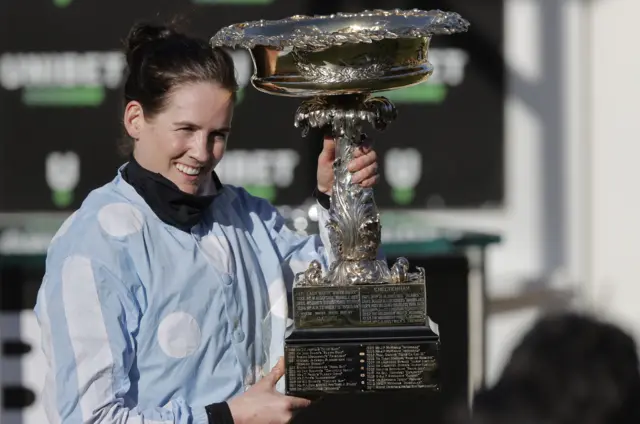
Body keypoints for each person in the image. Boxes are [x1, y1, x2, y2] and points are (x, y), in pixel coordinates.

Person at [34, 21, 380, 424]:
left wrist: (337, 197)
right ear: (135, 120)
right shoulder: (92, 241)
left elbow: (351, 298)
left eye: (218, 134)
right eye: (186, 129)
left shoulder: (248, 217)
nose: (201, 152)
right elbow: (87, 419)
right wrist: (226, 417)